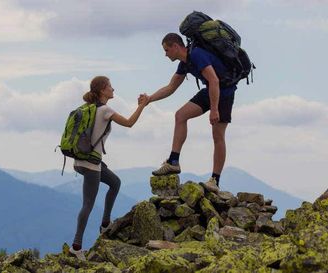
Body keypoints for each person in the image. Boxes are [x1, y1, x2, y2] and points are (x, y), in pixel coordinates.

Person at [142, 33, 238, 192]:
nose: (165, 54)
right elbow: (170, 88)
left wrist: (214, 110)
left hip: (224, 93)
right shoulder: (184, 63)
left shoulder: (197, 55)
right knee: (180, 115)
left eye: (166, 50)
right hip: (210, 91)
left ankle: (215, 180)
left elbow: (214, 80)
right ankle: (173, 161)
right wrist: (149, 99)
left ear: (175, 46)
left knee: (218, 136)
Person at [71, 76, 149, 254]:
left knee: (115, 182)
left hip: (81, 161)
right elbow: (129, 123)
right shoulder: (105, 110)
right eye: (110, 87)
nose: (113, 89)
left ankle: (105, 224)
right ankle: (76, 247)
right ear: (102, 90)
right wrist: (142, 105)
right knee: (88, 204)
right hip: (91, 164)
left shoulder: (88, 108)